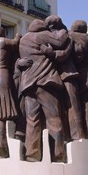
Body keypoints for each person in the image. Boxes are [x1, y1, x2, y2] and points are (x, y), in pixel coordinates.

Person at [19, 19, 68, 162]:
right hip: (45, 82)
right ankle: (58, 155)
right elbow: (60, 41)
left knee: (32, 120)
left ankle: (32, 155)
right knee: (54, 119)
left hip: (28, 84)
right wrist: (62, 28)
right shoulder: (43, 35)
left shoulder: (24, 40)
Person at [41, 15, 85, 140]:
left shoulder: (63, 34)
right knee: (58, 109)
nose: (50, 29)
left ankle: (77, 136)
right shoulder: (51, 36)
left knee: (72, 105)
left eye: (51, 25)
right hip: (54, 77)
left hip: (67, 74)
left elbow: (62, 51)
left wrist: (50, 52)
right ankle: (65, 137)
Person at [0, 25, 21, 157]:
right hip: (2, 74)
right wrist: (17, 35)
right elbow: (16, 43)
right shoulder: (2, 41)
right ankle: (1, 141)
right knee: (3, 111)